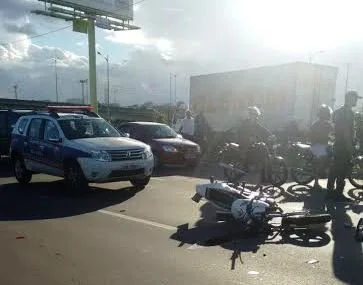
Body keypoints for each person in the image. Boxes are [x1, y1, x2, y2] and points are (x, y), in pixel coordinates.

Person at [327, 90, 362, 200]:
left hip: (337, 144)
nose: (356, 100)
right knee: (342, 171)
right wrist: (350, 148)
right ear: (350, 98)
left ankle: (330, 193)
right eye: (355, 98)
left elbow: (334, 129)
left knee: (334, 169)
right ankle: (338, 195)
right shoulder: (348, 113)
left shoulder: (338, 111)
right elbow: (346, 132)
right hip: (344, 146)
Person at [236, 106, 272, 180]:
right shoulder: (245, 123)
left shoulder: (255, 123)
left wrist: (271, 135)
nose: (254, 116)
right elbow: (240, 133)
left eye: (256, 115)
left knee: (262, 153)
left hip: (253, 142)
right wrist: (248, 138)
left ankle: (263, 176)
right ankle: (243, 167)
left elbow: (262, 129)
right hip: (243, 142)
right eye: (253, 114)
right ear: (249, 115)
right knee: (247, 151)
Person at [309, 104, 333, 188]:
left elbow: (332, 134)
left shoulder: (325, 124)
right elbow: (313, 136)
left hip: (322, 145)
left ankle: (325, 175)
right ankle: (316, 182)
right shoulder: (319, 124)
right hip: (318, 146)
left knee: (330, 156)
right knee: (321, 161)